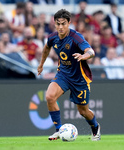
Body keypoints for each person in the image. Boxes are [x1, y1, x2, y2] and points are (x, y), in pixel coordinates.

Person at [37, 9, 101, 141]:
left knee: (83, 111)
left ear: (69, 23)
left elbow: (91, 51)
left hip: (80, 79)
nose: (60, 27)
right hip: (64, 74)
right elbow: (47, 48)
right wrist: (41, 64)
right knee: (49, 96)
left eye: (63, 24)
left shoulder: (76, 37)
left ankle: (95, 128)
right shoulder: (52, 37)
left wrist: (84, 56)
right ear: (54, 23)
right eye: (58, 24)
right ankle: (58, 130)